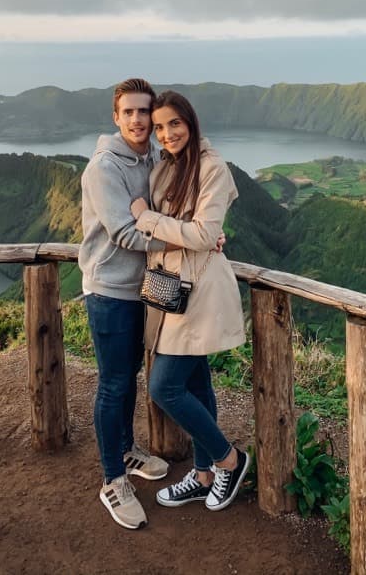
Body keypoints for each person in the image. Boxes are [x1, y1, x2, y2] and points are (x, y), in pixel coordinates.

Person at [130, 89, 250, 513]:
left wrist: (147, 218)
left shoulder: (212, 168)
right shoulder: (165, 169)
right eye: (159, 127)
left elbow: (201, 234)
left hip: (199, 290)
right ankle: (202, 476)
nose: (166, 134)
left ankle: (229, 461)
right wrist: (191, 232)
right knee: (197, 384)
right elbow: (195, 233)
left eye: (174, 124)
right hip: (171, 288)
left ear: (191, 121)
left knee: (164, 386)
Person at [78, 78, 169, 531]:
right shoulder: (103, 167)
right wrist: (184, 241)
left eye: (143, 113)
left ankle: (127, 451)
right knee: (113, 384)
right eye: (128, 112)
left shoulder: (152, 157)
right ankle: (113, 478)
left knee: (128, 375)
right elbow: (125, 234)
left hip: (142, 290)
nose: (137, 120)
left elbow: (156, 215)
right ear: (116, 117)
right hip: (110, 291)